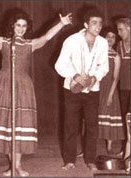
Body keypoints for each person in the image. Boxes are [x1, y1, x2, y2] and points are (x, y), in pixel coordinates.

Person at [0, 2, 72, 177]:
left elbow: (47, 37)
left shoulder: (30, 44)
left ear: (27, 28)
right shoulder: (2, 42)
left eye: (24, 26)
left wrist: (62, 24)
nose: (21, 29)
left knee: (20, 124)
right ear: (12, 26)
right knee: (7, 124)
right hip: (3, 84)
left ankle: (18, 165)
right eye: (18, 25)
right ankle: (12, 166)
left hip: (23, 85)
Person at [55, 8, 109, 171]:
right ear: (86, 25)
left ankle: (90, 160)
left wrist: (94, 78)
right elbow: (60, 64)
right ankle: (69, 160)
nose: (98, 27)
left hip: (93, 90)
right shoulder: (71, 40)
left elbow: (104, 66)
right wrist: (75, 75)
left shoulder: (103, 42)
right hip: (72, 89)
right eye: (94, 23)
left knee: (92, 126)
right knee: (71, 125)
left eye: (100, 23)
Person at [98, 26, 125, 155]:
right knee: (92, 117)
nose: (110, 39)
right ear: (103, 37)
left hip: (110, 89)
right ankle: (89, 148)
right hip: (96, 87)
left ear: (115, 40)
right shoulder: (96, 53)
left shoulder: (116, 56)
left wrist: (110, 95)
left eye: (113, 36)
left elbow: (116, 77)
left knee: (109, 116)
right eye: (108, 36)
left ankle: (109, 146)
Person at [115, 17, 130, 157]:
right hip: (124, 87)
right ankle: (126, 147)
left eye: (121, 29)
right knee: (126, 118)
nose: (119, 33)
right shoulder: (119, 45)